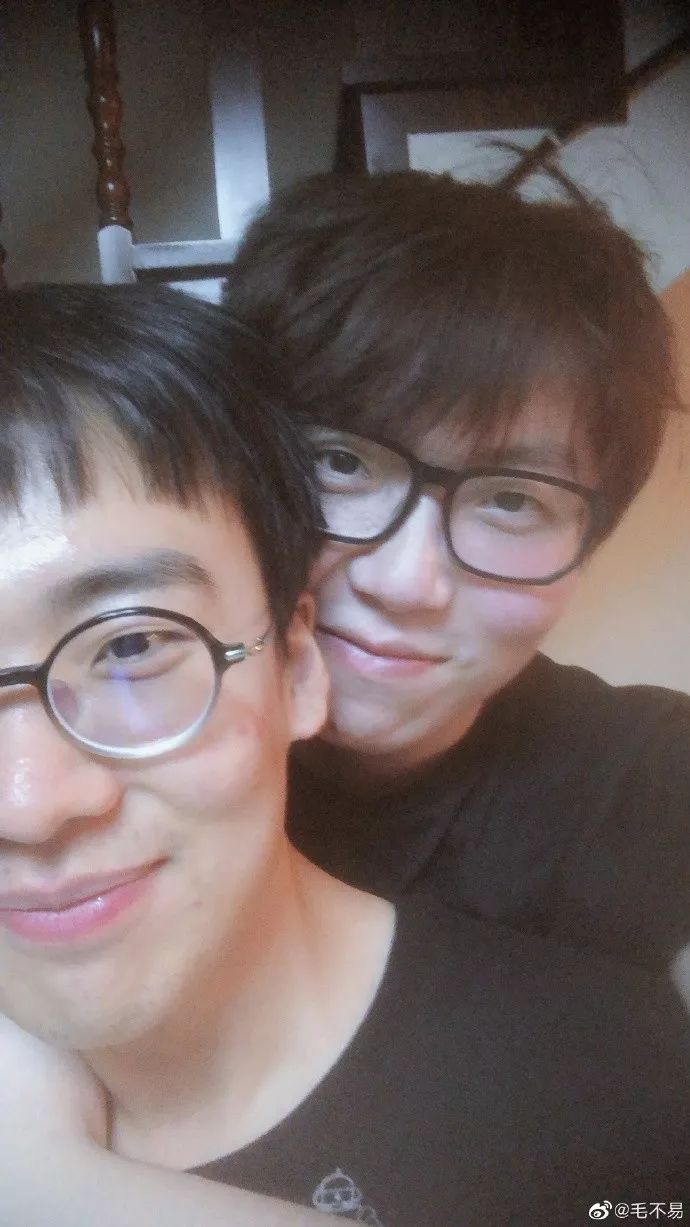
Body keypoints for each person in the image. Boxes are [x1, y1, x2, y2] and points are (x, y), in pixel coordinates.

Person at [1, 284, 689, 1227]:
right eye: (345, 459)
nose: (28, 804)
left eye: (130, 644)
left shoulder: (617, 1093)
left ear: (298, 662)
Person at [226, 169, 690, 980]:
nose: (406, 583)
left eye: (512, 499)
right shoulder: (115, 753)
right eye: (341, 461)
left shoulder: (649, 784)